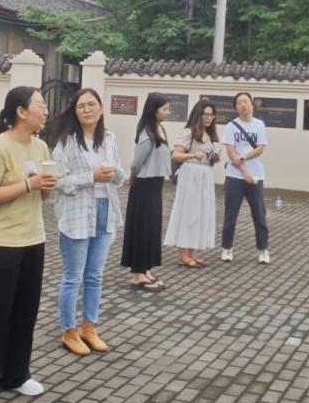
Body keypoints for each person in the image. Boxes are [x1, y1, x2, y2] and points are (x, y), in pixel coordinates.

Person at [0, 86, 56, 403]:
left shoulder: (40, 146)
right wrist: (29, 184)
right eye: (40, 105)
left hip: (34, 238)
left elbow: (42, 194)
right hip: (1, 242)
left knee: (25, 311)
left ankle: (17, 374)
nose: (45, 111)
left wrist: (46, 186)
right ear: (21, 111)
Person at [51, 88, 125, 356]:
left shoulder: (110, 139)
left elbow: (120, 176)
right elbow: (59, 181)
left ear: (101, 108)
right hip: (77, 214)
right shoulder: (66, 142)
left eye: (91, 104)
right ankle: (69, 331)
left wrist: (115, 174)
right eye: (81, 106)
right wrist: (91, 177)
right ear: (75, 111)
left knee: (94, 276)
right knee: (73, 278)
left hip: (105, 210)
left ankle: (89, 327)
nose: (87, 109)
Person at [121, 93, 172, 290]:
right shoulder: (146, 132)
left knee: (152, 228)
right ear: (154, 110)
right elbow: (137, 162)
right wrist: (131, 176)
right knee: (142, 228)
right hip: (143, 185)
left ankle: (146, 269)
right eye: (164, 109)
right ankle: (137, 274)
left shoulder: (159, 128)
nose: (168, 112)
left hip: (155, 184)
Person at [164, 99, 221, 269]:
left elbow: (208, 157)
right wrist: (192, 155)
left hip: (205, 176)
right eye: (205, 114)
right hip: (190, 176)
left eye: (211, 115)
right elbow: (175, 155)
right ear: (198, 114)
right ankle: (183, 254)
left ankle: (192, 252)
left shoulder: (209, 135)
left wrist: (214, 158)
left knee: (201, 213)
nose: (209, 118)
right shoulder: (188, 132)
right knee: (189, 214)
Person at [221, 92, 271, 264]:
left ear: (251, 104)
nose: (243, 105)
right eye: (239, 102)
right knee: (230, 214)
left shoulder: (259, 124)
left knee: (259, 214)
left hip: (256, 175)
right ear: (235, 107)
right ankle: (227, 248)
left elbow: (259, 149)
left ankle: (263, 250)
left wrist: (242, 158)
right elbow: (230, 151)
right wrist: (244, 171)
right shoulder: (231, 126)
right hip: (234, 176)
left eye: (245, 101)